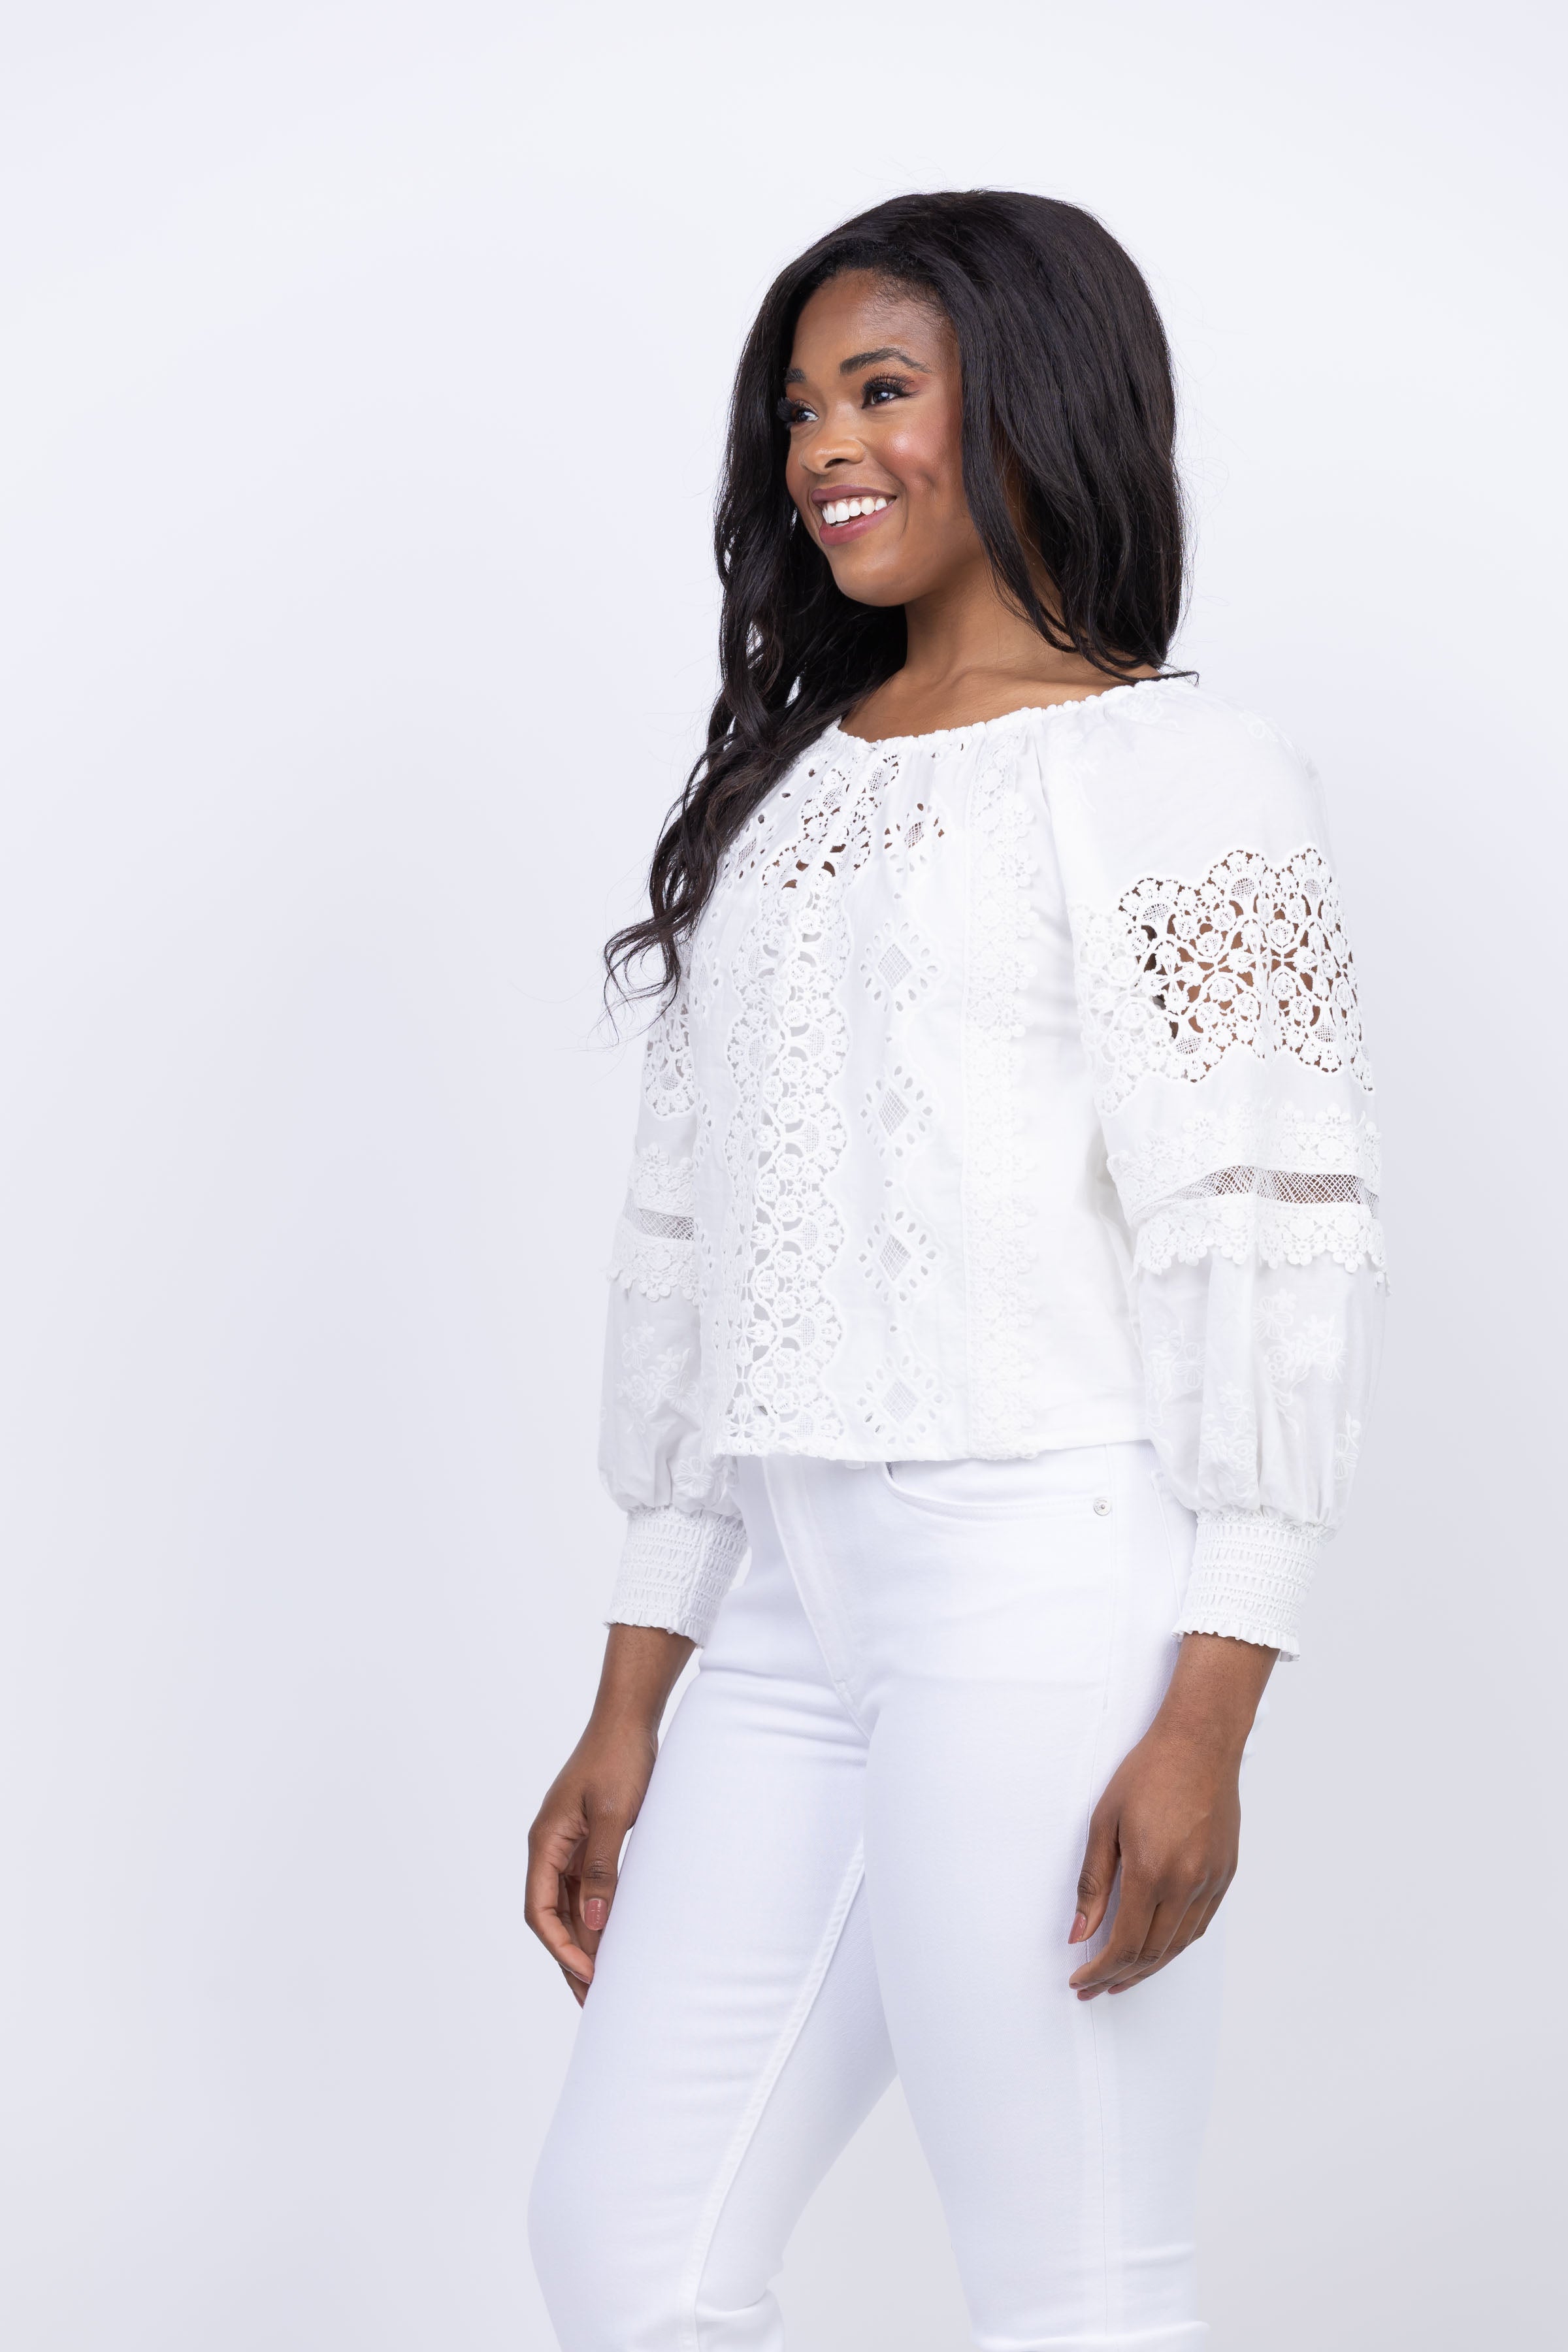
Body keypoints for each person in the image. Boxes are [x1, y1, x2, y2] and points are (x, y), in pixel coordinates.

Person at [525, 190, 1383, 2352]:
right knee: (629, 2251)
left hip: (1044, 1580)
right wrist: (632, 1697)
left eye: (881, 389)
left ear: (1033, 397)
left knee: (1073, 2287)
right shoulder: (784, 795)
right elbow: (694, 1252)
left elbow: (1274, 1243)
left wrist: (1212, 1711)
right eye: (800, 407)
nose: (826, 446)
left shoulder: (1178, 775)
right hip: (784, 1609)